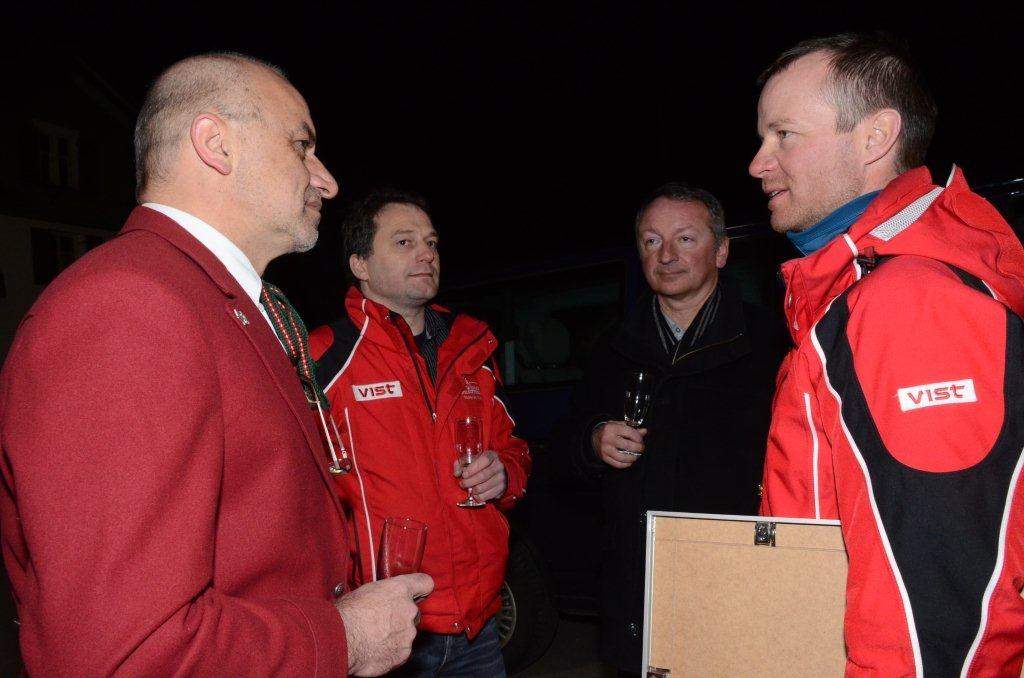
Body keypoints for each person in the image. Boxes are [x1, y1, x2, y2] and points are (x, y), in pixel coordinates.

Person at [0, 53, 432, 676]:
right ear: (216, 144)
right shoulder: (127, 306)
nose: (326, 180)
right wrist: (344, 637)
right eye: (302, 146)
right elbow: (126, 654)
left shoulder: (218, 301)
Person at [750, 33, 1024, 675]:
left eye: (783, 135)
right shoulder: (861, 291)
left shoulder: (909, 300)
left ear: (875, 137)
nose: (759, 163)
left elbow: (937, 615)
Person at [566, 182, 789, 675]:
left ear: (722, 250)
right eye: (651, 241)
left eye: (685, 239)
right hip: (639, 582)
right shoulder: (611, 347)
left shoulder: (773, 341)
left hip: (737, 577)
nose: (666, 255)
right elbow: (565, 450)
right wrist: (592, 441)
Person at [308, 188, 531, 677]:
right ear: (360, 265)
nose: (427, 253)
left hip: (477, 625)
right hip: (382, 627)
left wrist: (505, 475)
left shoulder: (472, 348)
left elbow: (514, 450)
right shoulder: (325, 355)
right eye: (404, 242)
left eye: (431, 242)